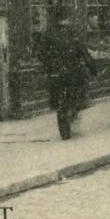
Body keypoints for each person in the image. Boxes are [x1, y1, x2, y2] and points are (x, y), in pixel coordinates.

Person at [39, 12, 96, 141]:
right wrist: (92, 68)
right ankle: (73, 116)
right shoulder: (72, 34)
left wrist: (48, 69)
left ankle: (64, 129)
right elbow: (83, 52)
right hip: (73, 72)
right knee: (76, 96)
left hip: (56, 73)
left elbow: (42, 54)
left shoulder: (48, 35)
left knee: (60, 101)